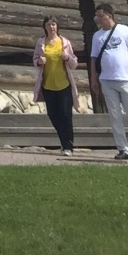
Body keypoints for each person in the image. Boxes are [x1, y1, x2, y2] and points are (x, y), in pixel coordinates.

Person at [89, 3, 128, 160]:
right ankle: (123, 149)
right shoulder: (97, 36)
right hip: (107, 81)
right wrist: (93, 79)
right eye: (97, 16)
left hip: (125, 79)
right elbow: (93, 59)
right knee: (115, 115)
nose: (98, 19)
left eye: (100, 16)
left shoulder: (124, 30)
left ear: (109, 15)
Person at [33, 15, 79, 156]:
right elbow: (35, 60)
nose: (51, 27)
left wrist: (67, 57)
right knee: (53, 115)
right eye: (48, 24)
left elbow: (74, 64)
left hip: (64, 84)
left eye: (53, 24)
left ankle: (68, 146)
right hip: (48, 85)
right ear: (45, 27)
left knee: (66, 115)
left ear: (57, 27)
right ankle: (64, 140)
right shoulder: (41, 43)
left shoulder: (64, 42)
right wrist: (39, 61)